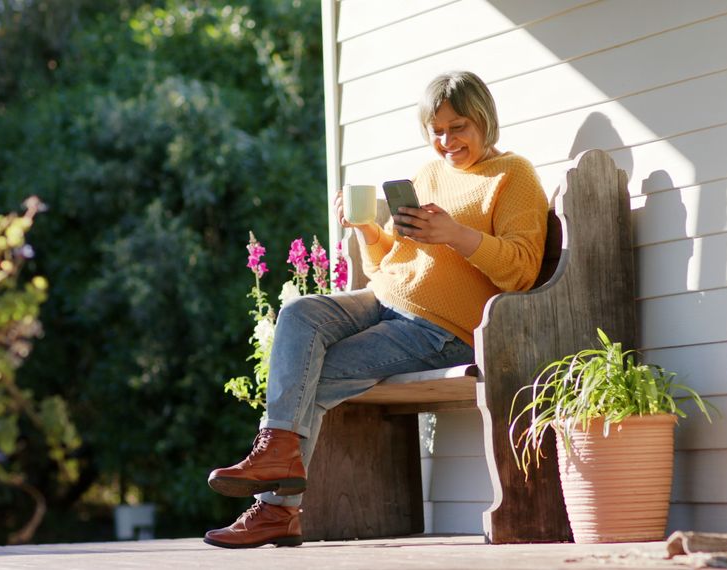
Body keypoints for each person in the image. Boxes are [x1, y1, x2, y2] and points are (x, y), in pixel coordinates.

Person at [203, 70, 549, 549]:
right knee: (300, 312)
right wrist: (368, 229)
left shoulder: (514, 176)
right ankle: (277, 452)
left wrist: (457, 235)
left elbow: (523, 270)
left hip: (441, 331)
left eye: (459, 127)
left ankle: (275, 511)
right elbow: (390, 259)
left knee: (316, 376)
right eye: (438, 130)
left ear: (485, 121)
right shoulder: (428, 174)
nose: (447, 141)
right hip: (384, 299)